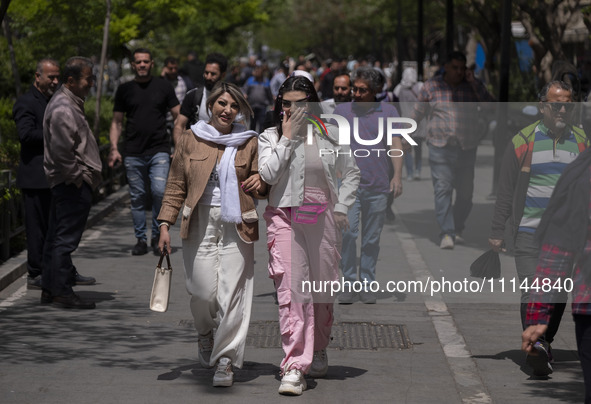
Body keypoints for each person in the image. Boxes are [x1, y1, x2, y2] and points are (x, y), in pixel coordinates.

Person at [157, 82, 265, 387]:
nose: (227, 111)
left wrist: (261, 182)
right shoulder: (191, 139)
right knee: (201, 291)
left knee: (232, 295)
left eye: (234, 106)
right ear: (210, 106)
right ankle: (205, 333)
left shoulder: (249, 142)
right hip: (199, 220)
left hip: (237, 223)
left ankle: (226, 361)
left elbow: (264, 181)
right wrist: (165, 223)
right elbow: (176, 184)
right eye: (222, 104)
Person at [259, 75, 360, 395]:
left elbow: (352, 172)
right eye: (287, 104)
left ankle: (318, 347)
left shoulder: (330, 134)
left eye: (301, 104)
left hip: (324, 218)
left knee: (322, 289)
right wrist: (287, 137)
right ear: (279, 106)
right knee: (292, 291)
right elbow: (268, 175)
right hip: (285, 218)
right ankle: (293, 365)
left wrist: (342, 206)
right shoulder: (269, 137)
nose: (294, 110)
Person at [490, 80, 589, 375]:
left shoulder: (583, 141)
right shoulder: (524, 140)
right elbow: (505, 190)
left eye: (567, 105)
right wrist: (497, 230)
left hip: (567, 236)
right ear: (543, 106)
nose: (562, 109)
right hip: (529, 233)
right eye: (556, 104)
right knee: (532, 290)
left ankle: (544, 343)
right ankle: (536, 347)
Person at [521, 145, 591, 399]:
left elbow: (556, 254)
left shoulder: (582, 174)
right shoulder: (583, 174)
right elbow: (557, 253)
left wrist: (538, 317)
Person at [412, 51, 495, 249]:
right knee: (443, 189)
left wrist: (474, 82)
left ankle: (457, 227)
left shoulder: (472, 87)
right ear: (446, 67)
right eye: (454, 68)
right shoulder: (432, 86)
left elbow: (490, 106)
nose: (458, 72)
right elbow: (417, 113)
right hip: (440, 147)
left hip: (467, 147)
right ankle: (447, 233)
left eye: (462, 68)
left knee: (466, 194)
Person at [335, 66, 403, 305]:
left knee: (371, 239)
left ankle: (367, 283)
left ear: (375, 91)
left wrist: (397, 176)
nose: (356, 93)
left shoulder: (388, 111)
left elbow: (396, 143)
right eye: (355, 88)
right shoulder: (342, 111)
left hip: (378, 186)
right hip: (348, 187)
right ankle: (349, 282)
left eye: (363, 90)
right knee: (349, 233)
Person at [42, 57, 102, 309]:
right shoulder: (63, 108)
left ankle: (52, 289)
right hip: (70, 184)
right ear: (71, 81)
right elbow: (62, 151)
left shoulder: (69, 104)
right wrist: (78, 178)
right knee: (64, 240)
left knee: (57, 238)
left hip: (70, 182)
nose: (92, 84)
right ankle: (61, 291)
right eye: (88, 79)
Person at [108, 48, 180, 256]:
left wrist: (179, 146)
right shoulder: (124, 89)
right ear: (133, 64)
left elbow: (179, 117)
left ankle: (158, 235)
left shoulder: (164, 86)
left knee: (159, 192)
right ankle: (140, 239)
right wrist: (114, 148)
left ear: (152, 64)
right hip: (133, 152)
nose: (141, 65)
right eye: (138, 62)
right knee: (137, 197)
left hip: (159, 150)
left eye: (145, 62)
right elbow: (117, 121)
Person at [12, 58, 59, 290]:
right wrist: (56, 133)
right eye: (51, 77)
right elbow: (26, 135)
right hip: (35, 177)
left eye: (57, 77)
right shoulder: (26, 102)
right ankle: (36, 273)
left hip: (55, 176)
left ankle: (58, 269)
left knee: (55, 227)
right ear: (37, 76)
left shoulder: (53, 100)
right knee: (36, 229)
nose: (55, 81)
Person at [173, 52, 228, 146]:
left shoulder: (232, 99)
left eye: (213, 74)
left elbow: (241, 127)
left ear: (223, 75)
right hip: (195, 151)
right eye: (206, 73)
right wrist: (179, 150)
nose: (208, 77)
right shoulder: (192, 96)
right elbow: (179, 125)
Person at [394, 67, 425, 181]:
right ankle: (417, 170)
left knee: (407, 149)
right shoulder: (420, 86)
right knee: (418, 148)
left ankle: (410, 172)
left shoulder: (398, 88)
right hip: (419, 122)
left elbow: (395, 103)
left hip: (405, 122)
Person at [243, 61, 273, 132]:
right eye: (256, 70)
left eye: (258, 71)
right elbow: (244, 90)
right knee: (252, 123)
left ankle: (260, 139)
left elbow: (269, 93)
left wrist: (271, 103)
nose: (257, 72)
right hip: (252, 106)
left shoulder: (266, 81)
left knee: (262, 123)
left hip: (262, 106)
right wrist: (244, 94)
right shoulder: (250, 80)